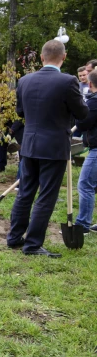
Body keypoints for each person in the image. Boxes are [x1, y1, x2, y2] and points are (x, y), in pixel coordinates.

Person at [6, 40, 88, 257]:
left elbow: (21, 113)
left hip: (30, 144)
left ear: (42, 58)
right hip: (53, 146)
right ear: (64, 56)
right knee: (46, 196)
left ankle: (14, 237)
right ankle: (32, 244)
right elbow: (82, 113)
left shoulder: (24, 80)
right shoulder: (68, 81)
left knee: (25, 192)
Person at [74, 69, 97, 234]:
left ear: (90, 84)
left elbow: (82, 124)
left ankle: (82, 225)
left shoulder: (94, 102)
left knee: (85, 184)